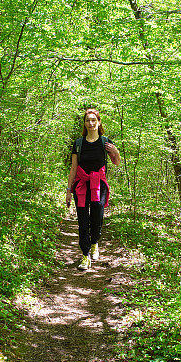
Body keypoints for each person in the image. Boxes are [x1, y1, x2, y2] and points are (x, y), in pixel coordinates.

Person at [66, 109, 121, 269]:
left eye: (93, 120)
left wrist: (116, 152)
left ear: (99, 122)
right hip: (81, 185)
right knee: (83, 221)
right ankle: (85, 255)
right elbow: (73, 168)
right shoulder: (78, 143)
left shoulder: (105, 142)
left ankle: (95, 242)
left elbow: (116, 162)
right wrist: (69, 190)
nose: (90, 123)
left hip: (99, 185)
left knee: (97, 217)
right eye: (87, 120)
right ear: (84, 123)